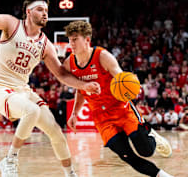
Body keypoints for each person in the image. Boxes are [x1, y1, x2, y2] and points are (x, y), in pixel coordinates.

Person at [0, 0, 100, 176]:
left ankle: (71, 174)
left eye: (47, 11)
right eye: (40, 9)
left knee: (56, 131)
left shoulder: (46, 44)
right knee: (31, 111)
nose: (45, 14)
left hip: (22, 90)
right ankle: (10, 159)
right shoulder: (11, 25)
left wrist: (84, 85)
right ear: (28, 11)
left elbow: (60, 73)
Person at [64, 21, 173, 177]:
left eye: (75, 39)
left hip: (121, 109)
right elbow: (80, 90)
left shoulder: (103, 56)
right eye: (69, 39)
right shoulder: (69, 64)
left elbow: (121, 78)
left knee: (146, 151)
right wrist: (75, 113)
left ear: (87, 40)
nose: (71, 43)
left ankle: (152, 136)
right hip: (102, 118)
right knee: (127, 156)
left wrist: (132, 88)